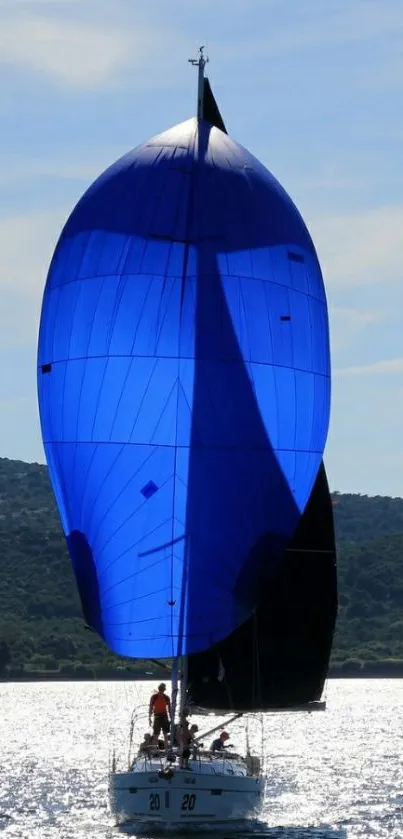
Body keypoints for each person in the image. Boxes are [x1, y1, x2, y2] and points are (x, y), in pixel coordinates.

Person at [149, 682, 171, 748]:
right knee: (165, 735)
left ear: (159, 689)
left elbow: (150, 708)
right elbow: (169, 709)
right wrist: (171, 718)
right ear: (164, 689)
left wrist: (149, 718)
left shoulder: (154, 697)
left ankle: (154, 750)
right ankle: (166, 750)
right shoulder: (166, 697)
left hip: (157, 717)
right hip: (164, 716)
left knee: (156, 735)